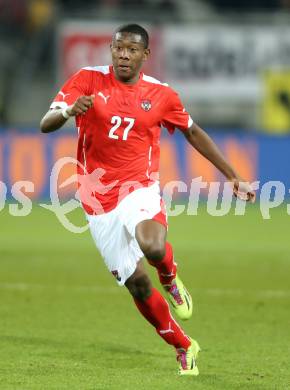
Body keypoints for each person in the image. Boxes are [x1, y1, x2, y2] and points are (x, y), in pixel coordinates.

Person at [40, 23, 255, 376]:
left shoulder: (161, 95)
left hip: (138, 187)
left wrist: (232, 175)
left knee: (152, 245)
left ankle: (170, 277)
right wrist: (68, 111)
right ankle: (184, 346)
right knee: (137, 285)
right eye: (119, 48)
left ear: (145, 55)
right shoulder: (87, 80)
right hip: (96, 199)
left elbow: (193, 131)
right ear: (111, 49)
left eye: (132, 49)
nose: (124, 54)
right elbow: (46, 123)